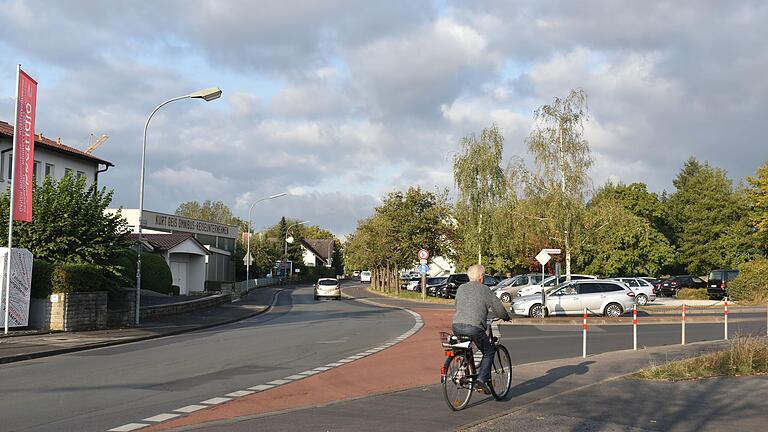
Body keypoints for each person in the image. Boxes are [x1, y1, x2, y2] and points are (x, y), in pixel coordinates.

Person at [452, 263, 511, 394]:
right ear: (481, 277)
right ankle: (481, 380)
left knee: (467, 348)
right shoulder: (484, 289)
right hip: (474, 327)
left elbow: (457, 304)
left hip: (456, 325)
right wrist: (506, 317)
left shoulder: (461, 288)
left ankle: (465, 370)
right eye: (483, 275)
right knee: (489, 351)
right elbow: (498, 308)